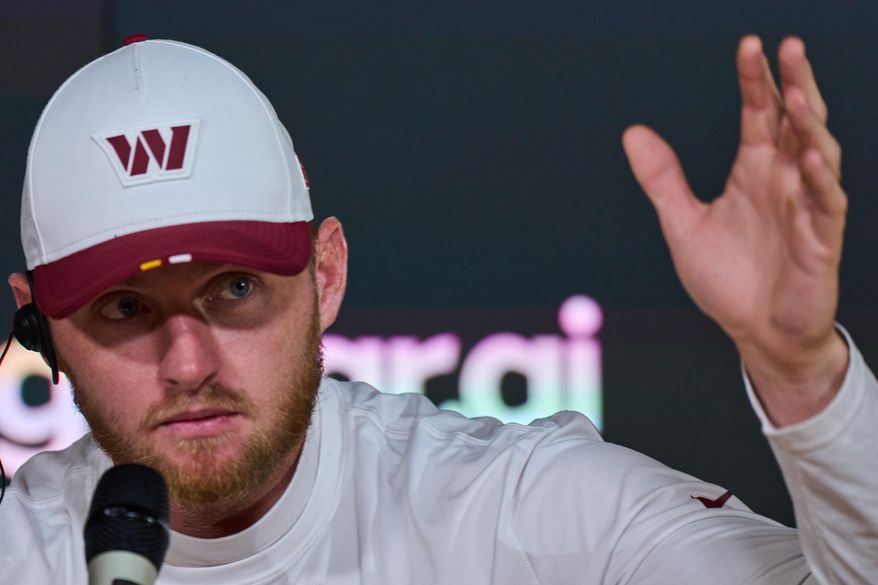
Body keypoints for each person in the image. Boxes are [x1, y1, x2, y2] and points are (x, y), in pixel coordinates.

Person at [0, 33, 874, 584]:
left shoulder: (510, 511)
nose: (188, 363)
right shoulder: (19, 550)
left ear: (327, 274)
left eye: (234, 290)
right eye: (123, 308)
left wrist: (804, 372)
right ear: (42, 329)